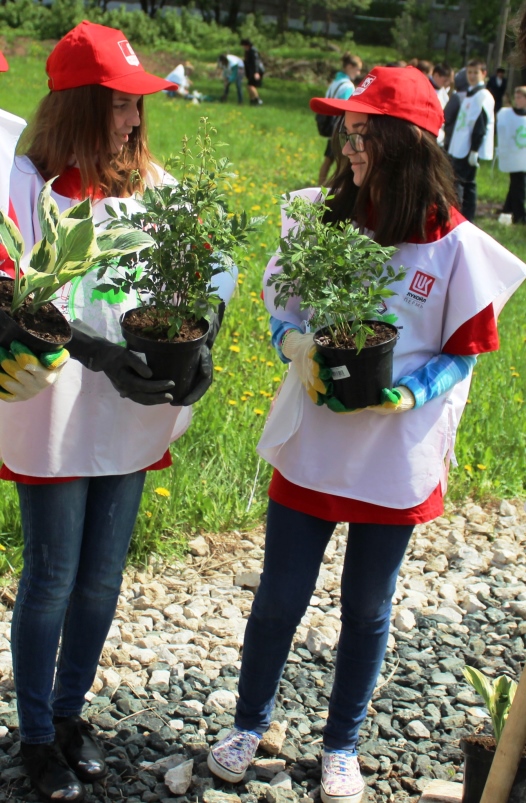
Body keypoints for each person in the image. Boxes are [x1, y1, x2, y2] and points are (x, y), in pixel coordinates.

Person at [206, 65, 526, 803]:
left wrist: (411, 391)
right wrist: (294, 347)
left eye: (363, 135)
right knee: (280, 594)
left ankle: (341, 744)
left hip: (396, 448)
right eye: (347, 133)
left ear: (404, 142)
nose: (350, 149)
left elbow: (467, 344)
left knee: (367, 605)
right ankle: (248, 723)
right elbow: (282, 303)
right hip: (316, 435)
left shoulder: (453, 244)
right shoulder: (320, 218)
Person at [3, 20, 236, 803]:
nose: (134, 120)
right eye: (118, 104)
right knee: (53, 576)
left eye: (138, 105)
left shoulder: (154, 184)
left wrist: (204, 334)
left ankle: (70, 716)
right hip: (57, 414)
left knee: (101, 582)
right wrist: (99, 354)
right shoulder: (25, 185)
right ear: (75, 106)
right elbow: (11, 295)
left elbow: (215, 267)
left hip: (132, 413)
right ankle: (35, 734)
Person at [448, 58, 494, 221]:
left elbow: (480, 124)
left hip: (468, 147)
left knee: (463, 183)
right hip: (460, 145)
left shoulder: (482, 96)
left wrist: (475, 149)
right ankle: (464, 215)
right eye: (469, 72)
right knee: (465, 183)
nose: (472, 76)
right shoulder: (470, 93)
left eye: (476, 72)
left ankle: (462, 215)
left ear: (484, 74)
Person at [318, 53, 362, 186]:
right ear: (349, 66)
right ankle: (335, 191)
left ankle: (320, 187)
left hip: (332, 128)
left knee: (328, 161)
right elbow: (348, 110)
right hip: (342, 130)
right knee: (344, 166)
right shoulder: (348, 86)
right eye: (357, 69)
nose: (358, 73)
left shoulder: (335, 83)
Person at [497, 86, 526, 223]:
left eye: (520, 97)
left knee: (516, 184)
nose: (517, 100)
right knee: (519, 185)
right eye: (516, 96)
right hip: (515, 157)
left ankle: (507, 210)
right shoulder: (509, 114)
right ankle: (519, 214)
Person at [241, 38, 264, 106]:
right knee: (249, 86)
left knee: (251, 86)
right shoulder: (248, 51)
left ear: (246, 45)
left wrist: (256, 72)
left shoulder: (253, 51)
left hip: (256, 71)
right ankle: (252, 100)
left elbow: (255, 62)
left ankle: (257, 99)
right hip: (252, 71)